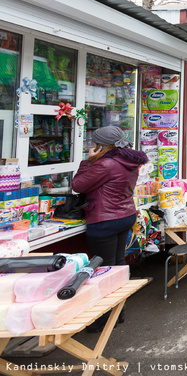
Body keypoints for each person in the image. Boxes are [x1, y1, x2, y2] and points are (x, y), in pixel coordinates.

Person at [72, 125, 149, 332]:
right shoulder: (129, 161)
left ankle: (104, 318)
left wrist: (87, 161)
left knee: (103, 270)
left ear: (101, 146)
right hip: (125, 216)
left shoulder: (105, 164)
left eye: (94, 144)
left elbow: (78, 185)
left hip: (104, 220)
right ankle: (118, 313)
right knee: (117, 265)